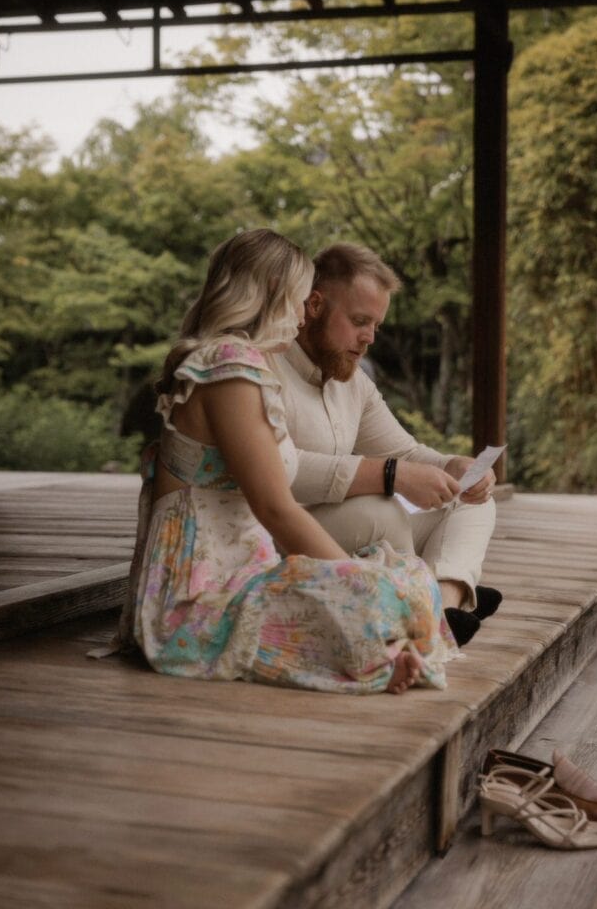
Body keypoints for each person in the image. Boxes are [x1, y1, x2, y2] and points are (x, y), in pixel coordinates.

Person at [115, 229, 457, 694]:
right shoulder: (226, 367)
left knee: (407, 580)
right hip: (200, 591)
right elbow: (275, 508)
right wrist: (354, 581)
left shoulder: (242, 366)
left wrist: (359, 581)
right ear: (270, 297)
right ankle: (374, 655)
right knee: (378, 591)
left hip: (245, 566)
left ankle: (377, 650)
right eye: (299, 300)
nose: (302, 317)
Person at [269, 243, 499, 647]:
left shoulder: (352, 380)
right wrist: (391, 475)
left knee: (472, 501)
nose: (369, 338)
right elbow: (277, 471)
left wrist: (453, 466)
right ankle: (427, 610)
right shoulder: (268, 367)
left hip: (344, 530)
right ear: (315, 305)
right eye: (360, 320)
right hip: (284, 535)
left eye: (376, 324)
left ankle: (443, 607)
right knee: (381, 509)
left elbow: (404, 453)